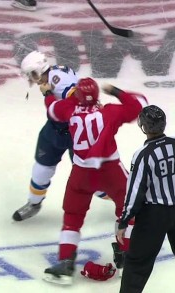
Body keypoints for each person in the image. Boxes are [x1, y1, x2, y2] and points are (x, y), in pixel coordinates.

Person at [41, 78, 148, 285]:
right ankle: (127, 256)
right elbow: (138, 107)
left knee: (72, 217)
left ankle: (65, 265)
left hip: (82, 172)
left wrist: (47, 93)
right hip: (110, 170)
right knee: (129, 209)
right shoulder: (109, 112)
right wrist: (116, 91)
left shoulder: (69, 110)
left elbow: (52, 110)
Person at [116, 105, 175, 293]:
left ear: (143, 126)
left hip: (154, 216)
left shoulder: (143, 155)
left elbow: (135, 192)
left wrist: (124, 221)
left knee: (137, 262)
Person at [12, 51, 108, 222]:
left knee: (95, 182)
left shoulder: (58, 81)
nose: (32, 80)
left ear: (39, 70)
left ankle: (130, 198)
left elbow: (73, 106)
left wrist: (48, 96)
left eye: (32, 75)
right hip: (55, 129)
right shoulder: (53, 74)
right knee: (42, 167)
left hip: (78, 133)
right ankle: (34, 203)